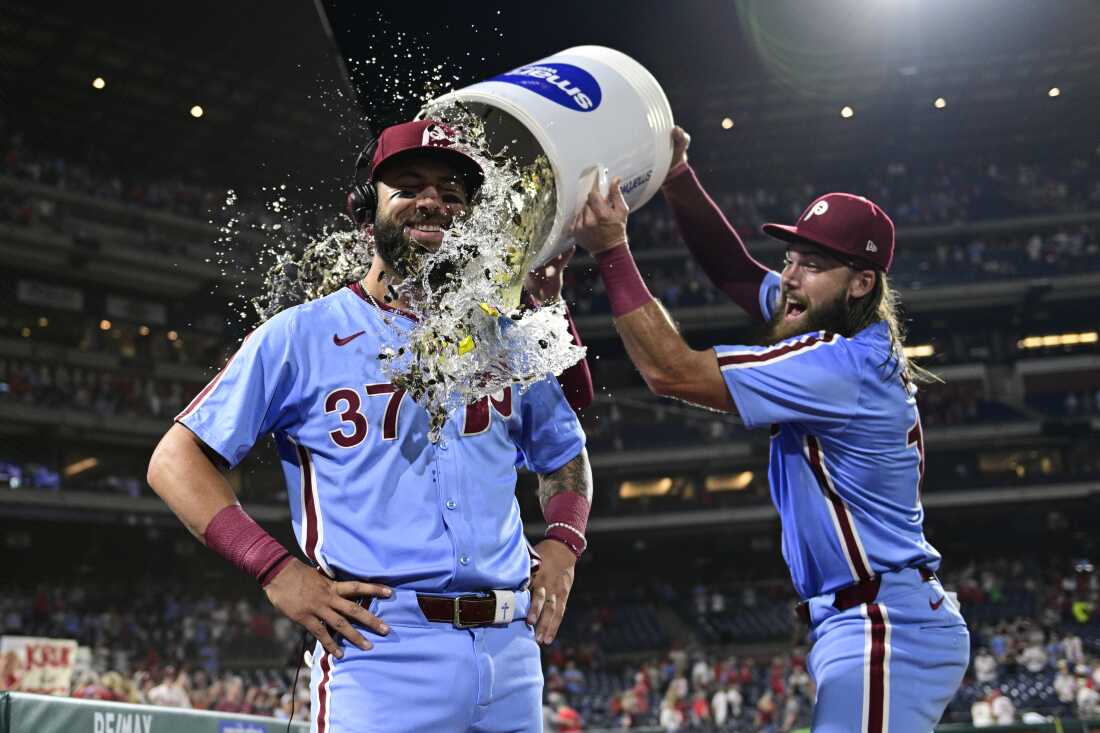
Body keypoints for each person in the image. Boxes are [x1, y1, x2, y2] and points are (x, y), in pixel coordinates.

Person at [147, 119, 593, 732]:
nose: (433, 201)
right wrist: (275, 569)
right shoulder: (300, 335)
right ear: (366, 209)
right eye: (409, 186)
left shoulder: (503, 335)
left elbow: (565, 452)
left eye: (453, 194)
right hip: (381, 651)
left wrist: (564, 545)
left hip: (511, 651)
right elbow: (175, 461)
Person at [571, 127, 969, 732]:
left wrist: (611, 250)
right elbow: (733, 270)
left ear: (861, 283)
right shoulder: (843, 332)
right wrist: (679, 178)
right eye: (789, 257)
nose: (789, 276)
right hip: (871, 615)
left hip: (886, 623)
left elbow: (670, 371)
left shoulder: (839, 366)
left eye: (812, 264)